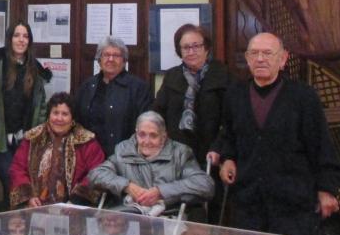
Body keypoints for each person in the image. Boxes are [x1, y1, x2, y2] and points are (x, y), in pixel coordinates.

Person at [214, 32, 340, 235]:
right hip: (249, 199)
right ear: (247, 59)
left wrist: (326, 189)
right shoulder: (235, 94)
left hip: (292, 201)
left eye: (268, 53)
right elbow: (228, 135)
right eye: (254, 53)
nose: (260, 59)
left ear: (283, 59)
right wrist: (227, 159)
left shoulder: (303, 97)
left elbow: (321, 146)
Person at [0, 20, 52, 197]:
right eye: (17, 35)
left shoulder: (35, 69)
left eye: (25, 36)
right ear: (9, 39)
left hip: (25, 138)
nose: (21, 40)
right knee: (9, 179)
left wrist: (38, 135)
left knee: (27, 180)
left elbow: (41, 106)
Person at [89, 111, 214, 216]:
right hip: (130, 218)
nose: (146, 141)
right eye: (142, 135)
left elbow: (204, 184)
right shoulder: (123, 150)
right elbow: (96, 174)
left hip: (169, 216)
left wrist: (161, 192)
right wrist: (127, 186)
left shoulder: (180, 153)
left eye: (153, 136)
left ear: (164, 137)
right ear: (136, 133)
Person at [7, 93, 105, 208]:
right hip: (35, 208)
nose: (59, 118)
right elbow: (17, 168)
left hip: (73, 209)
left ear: (72, 118)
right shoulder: (33, 138)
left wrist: (76, 201)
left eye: (65, 114)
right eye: (55, 113)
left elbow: (98, 174)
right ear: (49, 115)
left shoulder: (86, 141)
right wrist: (29, 197)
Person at [152, 23, 229, 165]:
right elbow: (158, 112)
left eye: (196, 46)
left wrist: (218, 148)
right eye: (186, 47)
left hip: (211, 155)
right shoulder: (172, 76)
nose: (191, 52)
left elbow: (230, 121)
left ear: (206, 48)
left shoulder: (223, 76)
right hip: (175, 154)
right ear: (179, 51)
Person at [73, 36, 152, 157]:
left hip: (124, 157)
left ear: (124, 61)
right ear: (99, 59)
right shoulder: (87, 86)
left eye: (116, 55)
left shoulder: (138, 88)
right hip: (89, 157)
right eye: (106, 55)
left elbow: (146, 127)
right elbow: (77, 122)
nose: (111, 59)